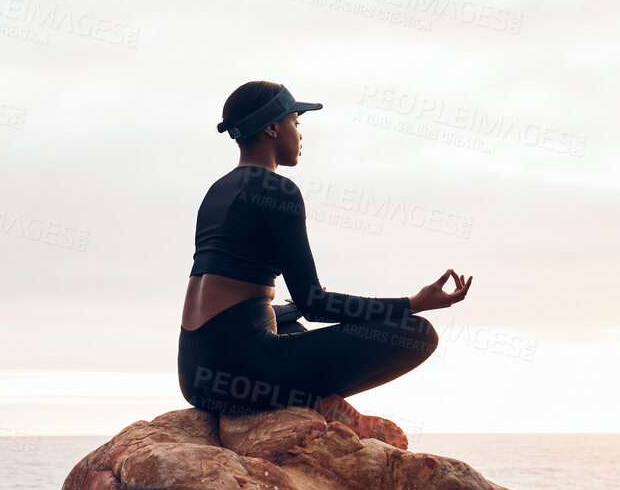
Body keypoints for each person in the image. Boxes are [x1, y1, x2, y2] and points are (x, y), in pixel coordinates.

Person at [177, 79, 472, 427]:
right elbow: (315, 304)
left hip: (195, 374)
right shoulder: (278, 190)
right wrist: (413, 303)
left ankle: (303, 392)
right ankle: (319, 404)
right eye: (296, 122)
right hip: (241, 375)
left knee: (291, 324)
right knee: (418, 334)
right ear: (272, 128)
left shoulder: (217, 191)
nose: (300, 135)